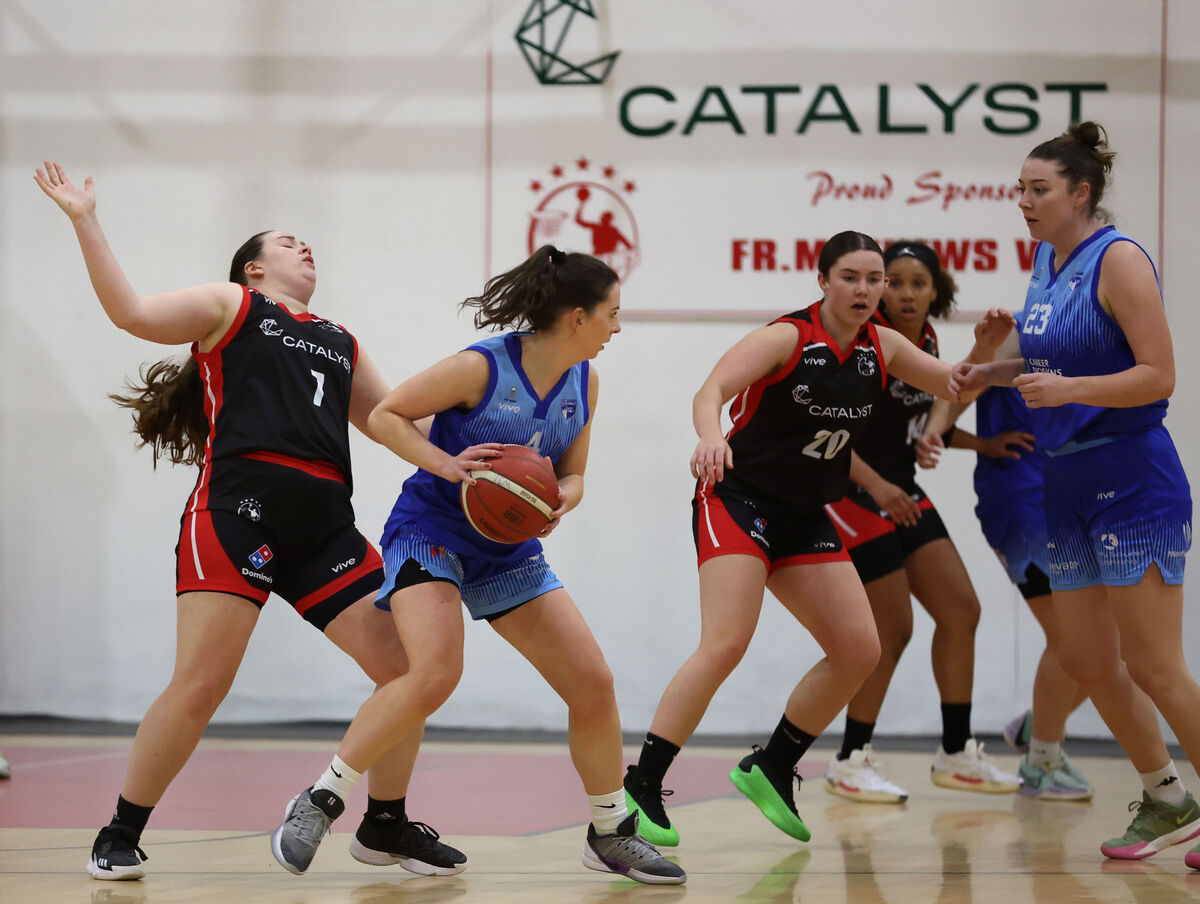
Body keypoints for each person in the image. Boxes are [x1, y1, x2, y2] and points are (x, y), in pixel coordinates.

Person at [34, 162, 465, 881]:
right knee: (201, 683)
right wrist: (84, 218)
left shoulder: (340, 339)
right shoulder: (229, 304)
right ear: (255, 268)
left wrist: (472, 453)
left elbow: (391, 423)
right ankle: (120, 830)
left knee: (407, 670)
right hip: (238, 512)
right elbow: (132, 313)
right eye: (289, 242)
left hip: (325, 523)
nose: (306, 250)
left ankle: (384, 824)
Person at [270, 246, 687, 885]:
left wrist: (559, 501)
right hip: (430, 532)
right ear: (577, 317)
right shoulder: (480, 367)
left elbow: (573, 473)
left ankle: (610, 831)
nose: (618, 328)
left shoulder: (584, 381)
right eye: (612, 314)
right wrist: (451, 466)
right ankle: (320, 801)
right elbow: (385, 414)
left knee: (592, 684)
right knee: (433, 672)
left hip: (507, 549)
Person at [622, 231, 1015, 845]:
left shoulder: (882, 345)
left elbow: (955, 385)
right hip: (738, 497)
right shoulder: (785, 337)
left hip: (805, 512)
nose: (865, 290)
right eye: (852, 278)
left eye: (874, 279)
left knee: (861, 648)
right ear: (824, 280)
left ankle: (773, 764)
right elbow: (711, 391)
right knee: (726, 642)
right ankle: (642, 783)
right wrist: (709, 435)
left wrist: (1004, 353)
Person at [952, 122, 1200, 869]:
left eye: (1038, 189)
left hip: (1132, 474)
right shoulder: (1044, 259)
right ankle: (1164, 795)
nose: (1021, 201)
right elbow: (1049, 357)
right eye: (1019, 188)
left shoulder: (1118, 260)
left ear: (1080, 193)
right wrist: (992, 371)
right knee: (1088, 659)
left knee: (1156, 665)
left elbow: (1158, 374)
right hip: (1064, 481)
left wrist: (1070, 389)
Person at [819, 241, 1020, 805]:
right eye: (896, 281)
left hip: (898, 491)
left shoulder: (926, 340)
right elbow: (821, 431)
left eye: (918, 283)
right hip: (849, 492)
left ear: (936, 291)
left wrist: (980, 439)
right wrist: (880, 487)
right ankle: (849, 759)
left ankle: (956, 752)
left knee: (961, 609)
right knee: (892, 630)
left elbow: (933, 419)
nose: (905, 293)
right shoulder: (863, 340)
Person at [921, 360, 1092, 802]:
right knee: (1074, 639)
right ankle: (1042, 759)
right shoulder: (1015, 332)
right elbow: (946, 406)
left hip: (1069, 496)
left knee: (1104, 647)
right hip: (1022, 501)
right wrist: (950, 434)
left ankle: (1039, 727)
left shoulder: (1081, 329)